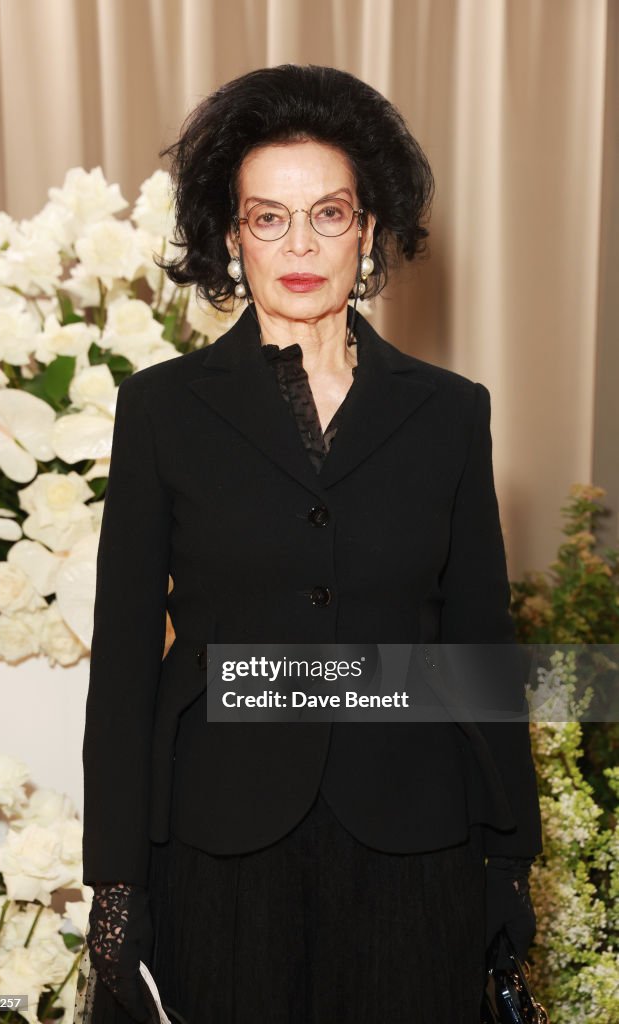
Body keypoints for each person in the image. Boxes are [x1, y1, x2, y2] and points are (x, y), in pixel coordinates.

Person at [74, 65, 542, 1024]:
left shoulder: (450, 413)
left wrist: (508, 856)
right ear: (230, 233)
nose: (298, 245)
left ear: (368, 229)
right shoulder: (162, 410)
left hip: (415, 831)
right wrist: (115, 886)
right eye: (266, 217)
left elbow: (480, 644)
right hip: (216, 836)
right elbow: (122, 662)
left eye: (326, 214)